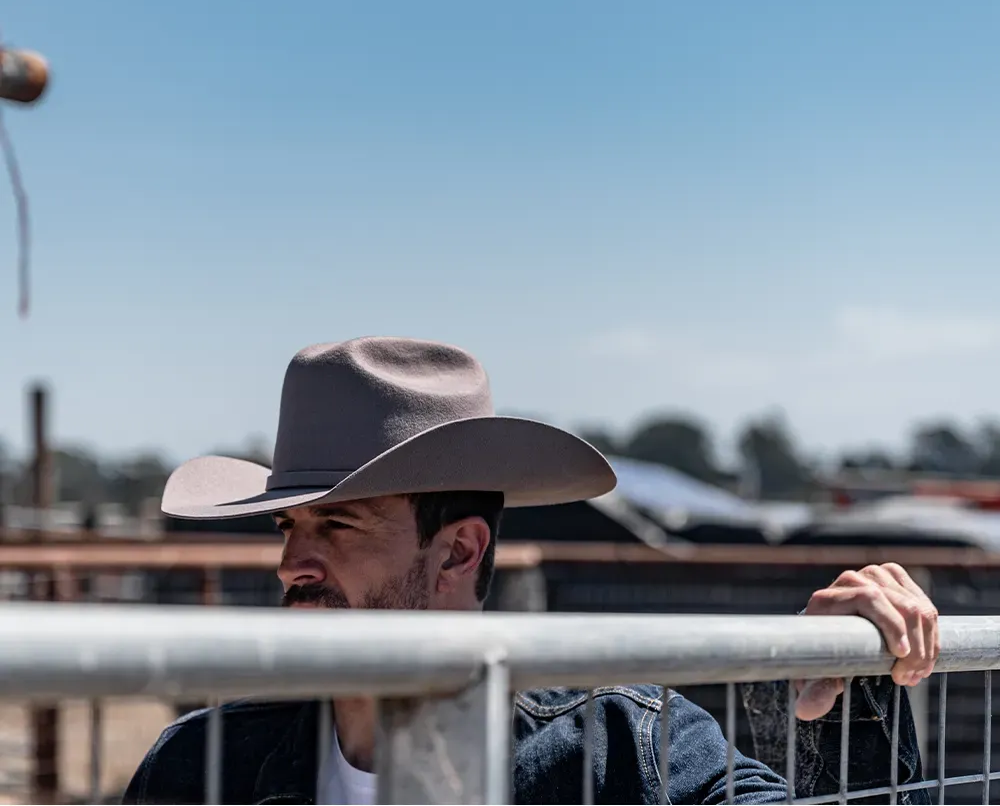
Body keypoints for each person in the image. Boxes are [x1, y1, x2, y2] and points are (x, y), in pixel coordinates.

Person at [123, 337, 939, 805]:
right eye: (288, 527)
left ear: (459, 551)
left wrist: (841, 702)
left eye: (336, 525)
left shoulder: (622, 747)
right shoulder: (202, 765)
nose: (291, 565)